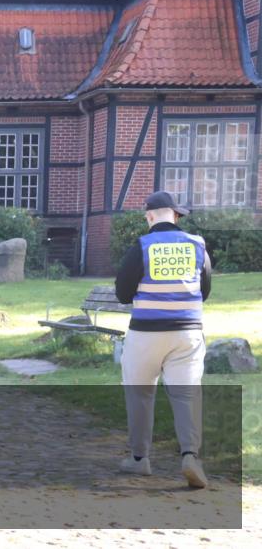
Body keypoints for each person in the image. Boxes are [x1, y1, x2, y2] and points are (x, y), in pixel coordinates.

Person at [114, 190, 212, 489]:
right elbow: (205, 289)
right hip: (187, 333)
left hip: (146, 334)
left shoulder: (142, 246)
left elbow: (122, 293)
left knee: (140, 393)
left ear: (149, 216)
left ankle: (140, 459)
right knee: (186, 394)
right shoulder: (197, 245)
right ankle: (190, 456)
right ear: (177, 216)